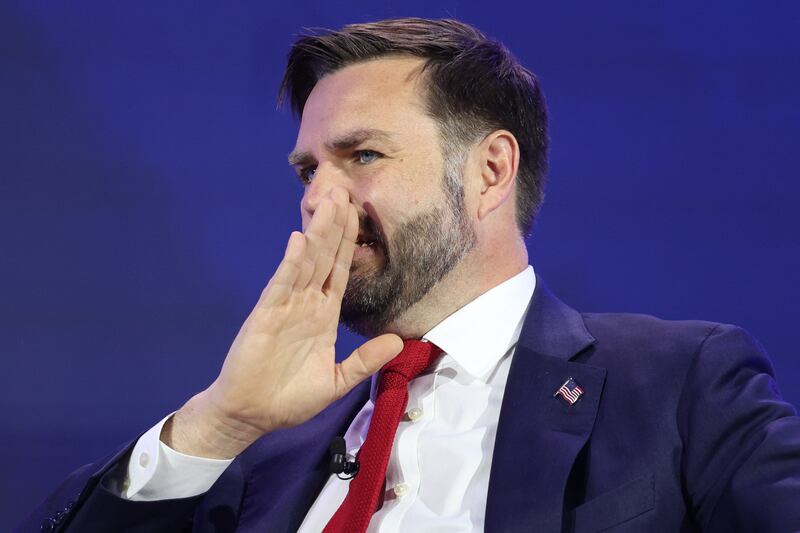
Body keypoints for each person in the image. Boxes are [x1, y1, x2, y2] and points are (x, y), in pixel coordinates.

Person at [21, 17, 800, 533]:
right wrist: (219, 423)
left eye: (362, 156)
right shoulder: (263, 451)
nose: (318, 202)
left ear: (490, 170)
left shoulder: (678, 383)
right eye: (306, 171)